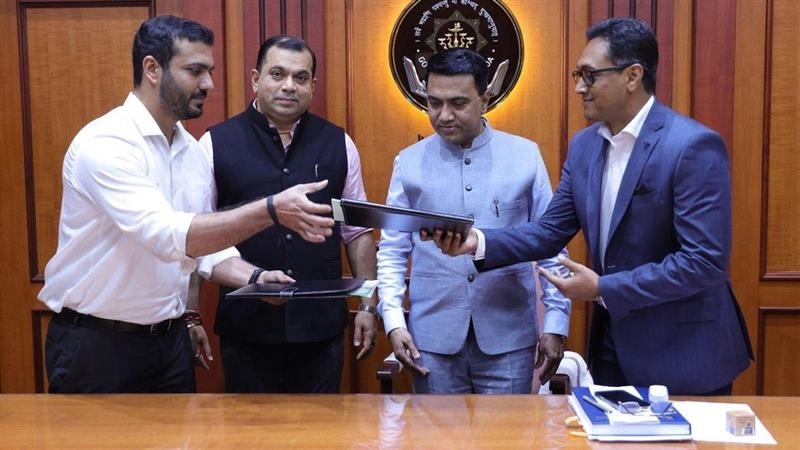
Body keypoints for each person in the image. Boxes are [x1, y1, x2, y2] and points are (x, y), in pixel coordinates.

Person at [427, 18, 753, 395]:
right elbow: (549, 232)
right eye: (577, 75)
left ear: (632, 76)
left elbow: (704, 262)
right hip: (614, 349)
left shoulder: (691, 146)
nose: (579, 87)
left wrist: (602, 288)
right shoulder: (584, 147)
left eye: (590, 75)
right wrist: (478, 242)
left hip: (685, 353)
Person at [38, 16, 335, 393]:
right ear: (152, 69)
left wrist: (255, 278)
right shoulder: (107, 143)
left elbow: (204, 248)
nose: (208, 83)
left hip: (170, 342)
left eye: (209, 71)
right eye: (195, 71)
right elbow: (168, 236)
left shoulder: (191, 151)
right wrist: (271, 209)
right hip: (97, 345)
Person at [377, 48, 571, 394]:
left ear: (485, 98)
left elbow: (551, 245)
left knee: (507, 430)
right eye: (434, 103)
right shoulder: (408, 162)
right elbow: (392, 251)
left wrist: (556, 322)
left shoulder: (525, 156)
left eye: (458, 103)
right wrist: (393, 321)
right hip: (431, 339)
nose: (443, 115)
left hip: (509, 336)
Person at [198, 35, 378, 393]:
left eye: (300, 77)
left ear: (313, 85)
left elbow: (357, 233)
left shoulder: (338, 143)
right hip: (246, 328)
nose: (288, 86)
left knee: (320, 425)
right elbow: (198, 236)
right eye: (277, 74)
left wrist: (368, 305)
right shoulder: (215, 143)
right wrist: (191, 315)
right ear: (256, 79)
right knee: (250, 426)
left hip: (320, 330)